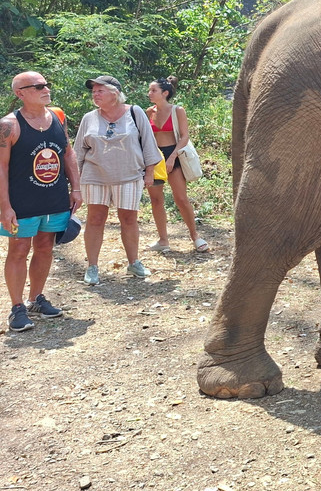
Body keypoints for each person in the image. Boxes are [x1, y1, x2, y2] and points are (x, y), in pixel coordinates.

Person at [1, 72, 82, 332]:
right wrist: (5, 206)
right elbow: (1, 167)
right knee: (19, 249)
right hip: (21, 201)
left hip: (54, 198)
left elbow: (67, 153)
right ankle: (17, 308)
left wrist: (76, 188)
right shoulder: (8, 125)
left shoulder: (58, 116)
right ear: (20, 93)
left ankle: (36, 298)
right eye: (38, 86)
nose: (45, 89)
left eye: (46, 84)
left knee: (45, 247)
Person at [75, 76, 162, 284]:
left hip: (129, 175)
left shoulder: (135, 112)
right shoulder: (89, 118)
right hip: (94, 176)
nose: (95, 95)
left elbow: (148, 143)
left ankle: (134, 262)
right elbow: (78, 151)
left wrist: (149, 172)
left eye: (100, 91)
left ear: (115, 93)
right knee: (95, 219)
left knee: (129, 219)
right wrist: (74, 182)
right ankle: (92, 267)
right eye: (93, 91)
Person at [145, 76, 209, 254]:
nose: (149, 93)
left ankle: (195, 236)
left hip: (175, 154)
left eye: (153, 90)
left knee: (181, 198)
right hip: (155, 157)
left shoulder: (177, 110)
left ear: (165, 93)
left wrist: (172, 157)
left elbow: (184, 136)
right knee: (156, 199)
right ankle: (163, 240)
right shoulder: (149, 112)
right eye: (149, 90)